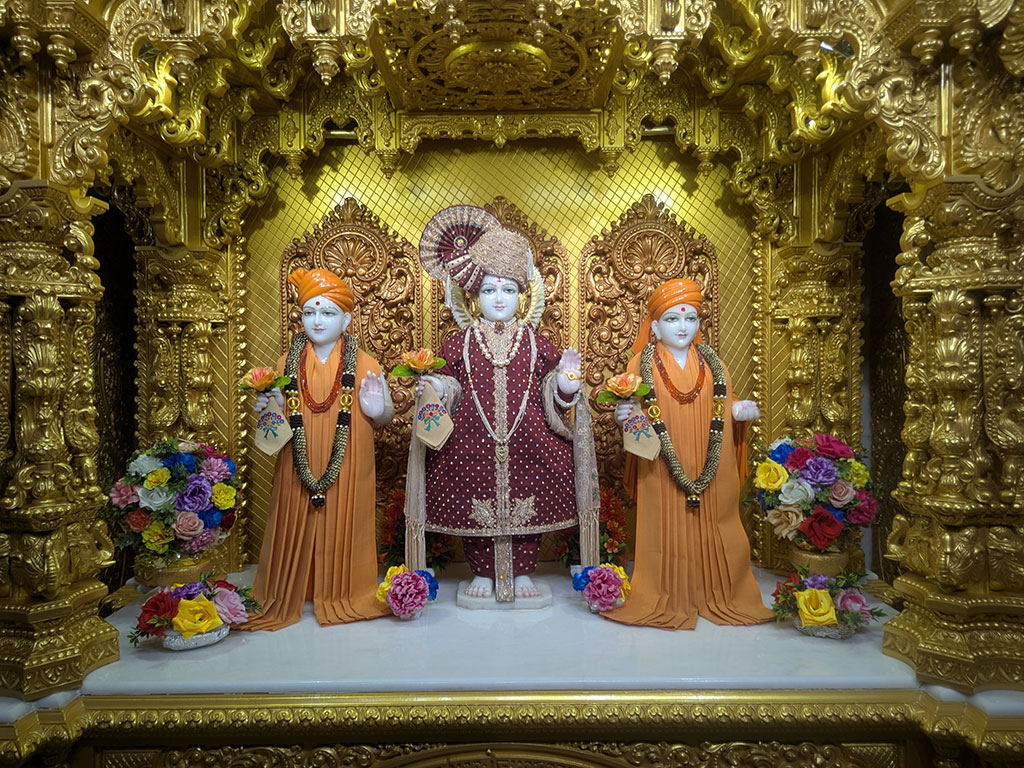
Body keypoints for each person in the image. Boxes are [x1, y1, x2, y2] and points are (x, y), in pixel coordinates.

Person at [407, 205, 599, 604]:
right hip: (472, 440)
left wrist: (564, 385)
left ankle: (524, 571)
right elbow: (452, 383)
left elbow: (550, 387)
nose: (499, 298)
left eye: (508, 289)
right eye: (490, 290)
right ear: (474, 297)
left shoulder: (534, 341)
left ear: (522, 296)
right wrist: (437, 387)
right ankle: (482, 573)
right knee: (473, 495)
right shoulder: (460, 342)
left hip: (528, 438)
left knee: (531, 493)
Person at [602, 278, 772, 630]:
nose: (683, 327)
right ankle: (666, 593)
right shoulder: (641, 364)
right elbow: (632, 411)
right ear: (655, 325)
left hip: (710, 461)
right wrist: (625, 415)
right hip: (662, 462)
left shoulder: (713, 364)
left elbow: (726, 401)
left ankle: (719, 592)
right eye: (673, 319)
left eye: (691, 319)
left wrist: (739, 413)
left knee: (719, 521)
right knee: (663, 521)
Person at [243, 268, 394, 629]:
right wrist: (269, 407)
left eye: (328, 313)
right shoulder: (285, 363)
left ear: (346, 318)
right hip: (300, 456)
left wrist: (379, 410)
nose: (318, 321)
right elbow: (276, 418)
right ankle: (299, 587)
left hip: (349, 457)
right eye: (310, 312)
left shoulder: (366, 363)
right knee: (296, 511)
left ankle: (347, 589)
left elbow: (385, 413)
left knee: (347, 515)